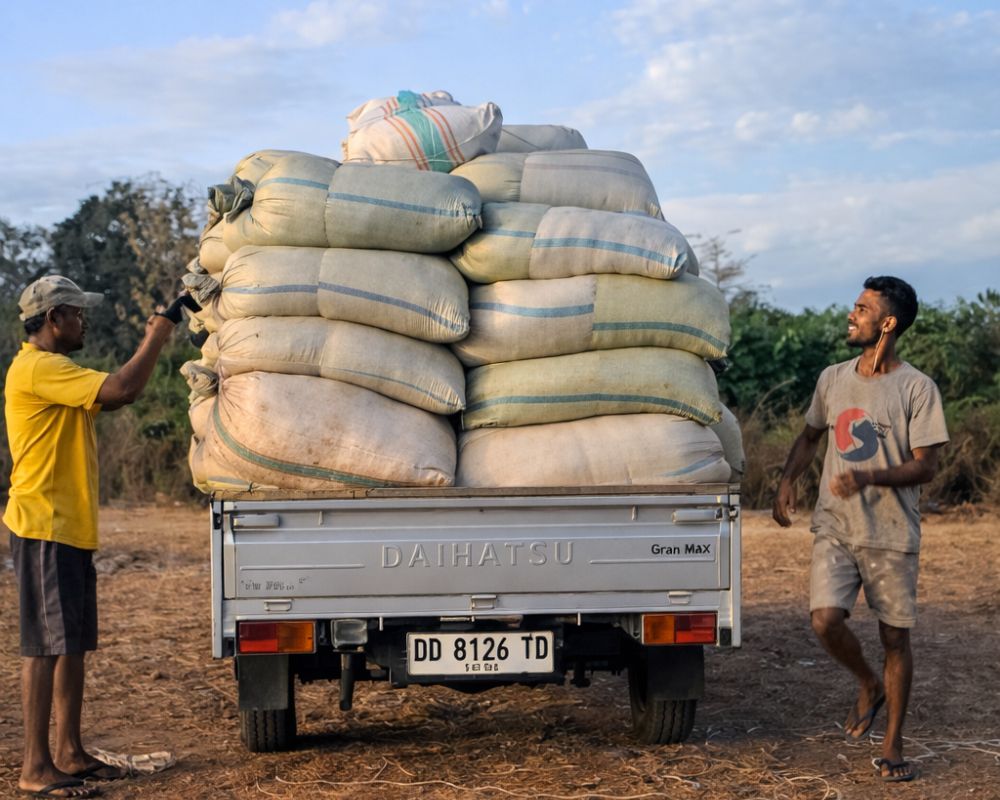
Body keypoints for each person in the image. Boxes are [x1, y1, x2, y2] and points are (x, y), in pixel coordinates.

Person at [4, 275, 197, 799]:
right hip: (44, 526)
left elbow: (109, 400)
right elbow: (124, 389)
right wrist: (161, 326)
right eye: (77, 313)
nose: (84, 321)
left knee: (71, 645)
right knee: (44, 648)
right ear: (53, 320)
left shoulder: (57, 371)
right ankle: (34, 768)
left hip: (66, 529)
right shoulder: (38, 368)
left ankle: (68, 752)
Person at [772, 276, 948, 784]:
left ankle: (893, 743)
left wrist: (869, 475)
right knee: (825, 620)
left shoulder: (918, 388)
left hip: (891, 533)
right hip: (835, 525)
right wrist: (787, 479)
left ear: (887, 323)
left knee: (895, 637)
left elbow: (926, 467)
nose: (851, 315)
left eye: (862, 309)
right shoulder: (832, 378)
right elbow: (810, 436)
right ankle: (867, 682)